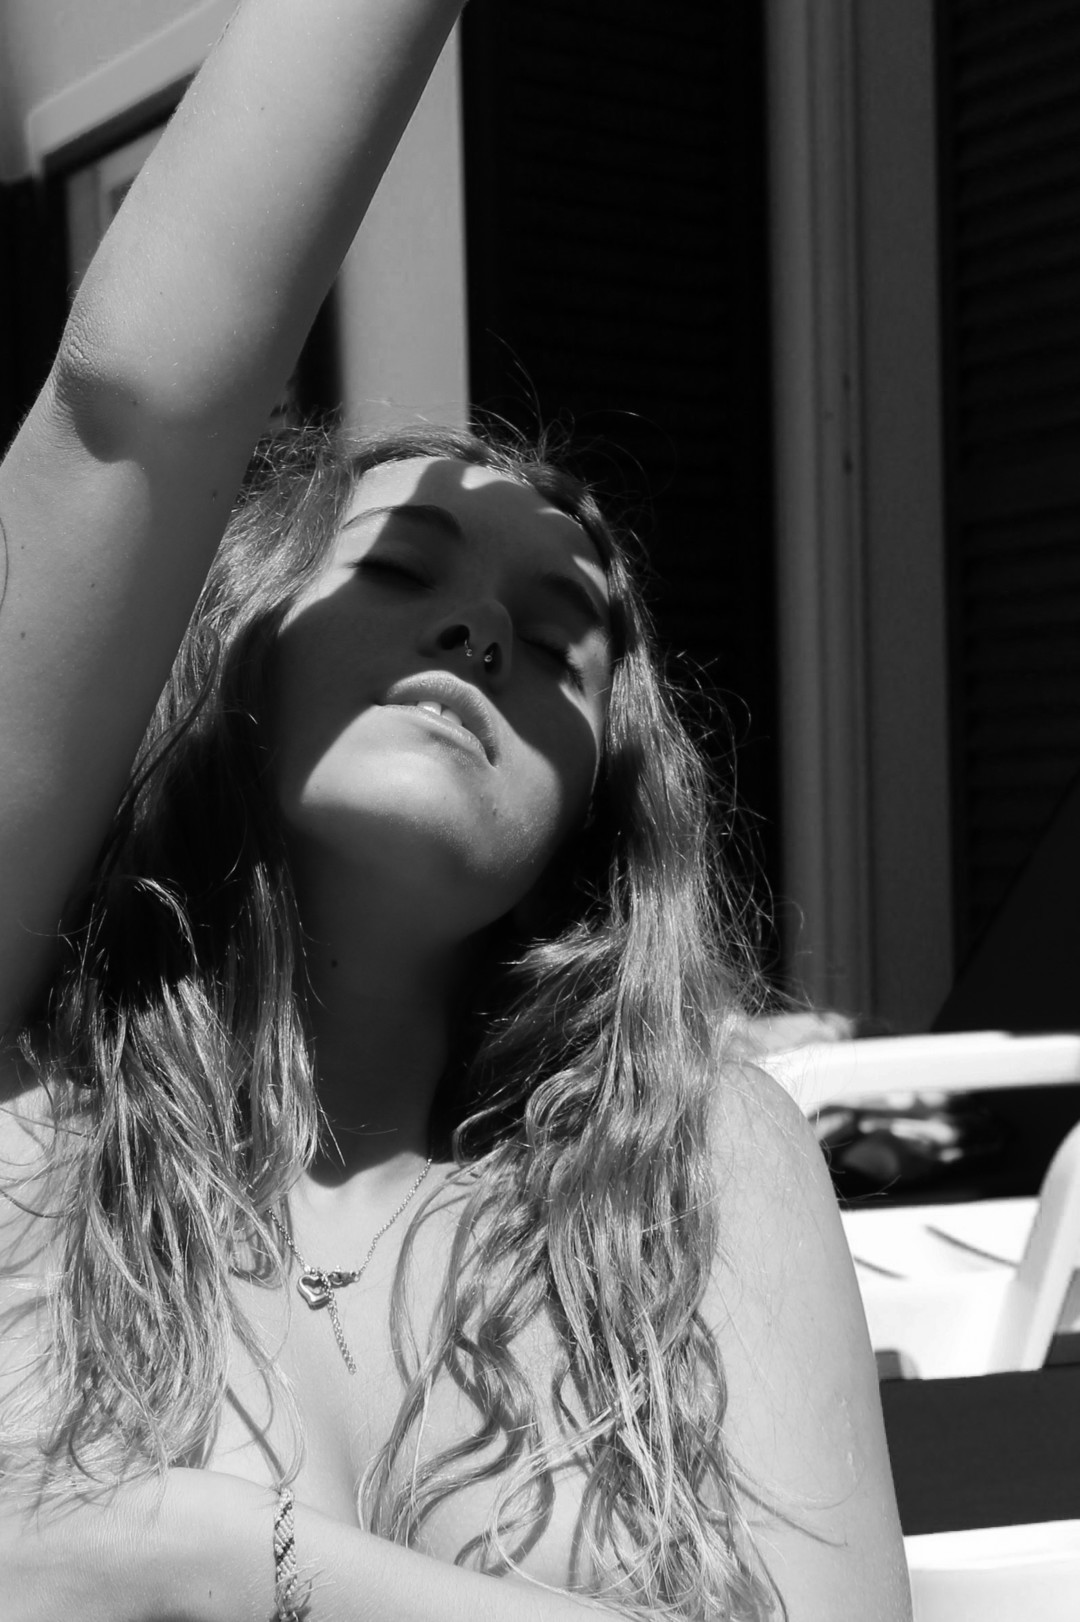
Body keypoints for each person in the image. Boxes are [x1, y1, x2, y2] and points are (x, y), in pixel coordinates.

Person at [0, 2, 911, 1618]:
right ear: (244, 645)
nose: (484, 632)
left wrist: (221, 1564)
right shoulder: (28, 1094)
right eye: (404, 571)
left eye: (561, 640)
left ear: (589, 816)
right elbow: (129, 404)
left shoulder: (695, 1160)